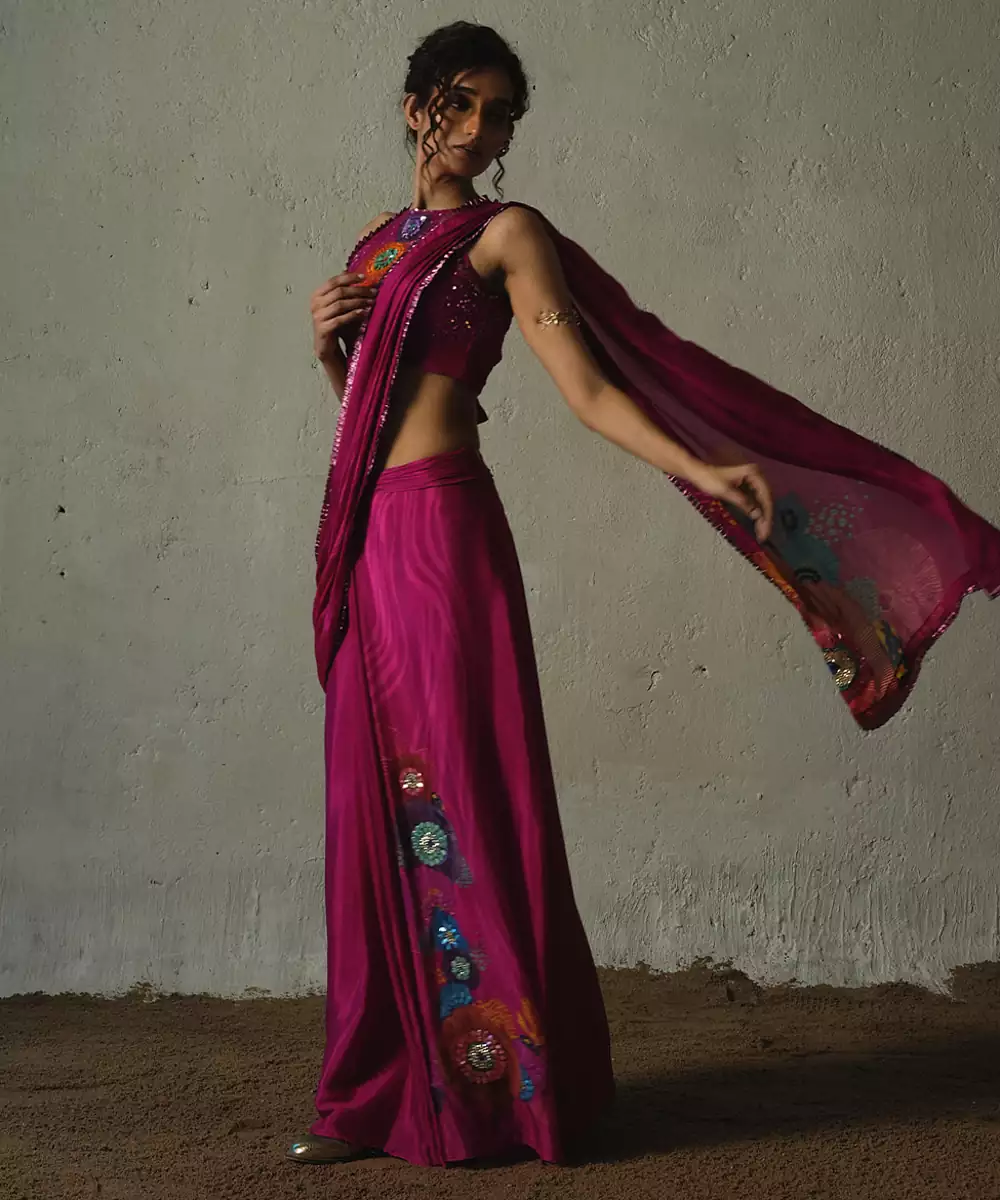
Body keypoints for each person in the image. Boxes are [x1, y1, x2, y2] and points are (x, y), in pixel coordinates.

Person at [291, 20, 1000, 1169]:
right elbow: (366, 416)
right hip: (368, 534)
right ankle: (372, 1096)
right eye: (463, 103)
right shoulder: (379, 246)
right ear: (418, 106)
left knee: (459, 793)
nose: (482, 128)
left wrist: (701, 465)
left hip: (440, 535)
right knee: (372, 807)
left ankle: (501, 1093)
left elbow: (582, 388)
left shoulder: (507, 235)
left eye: (502, 112)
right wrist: (331, 352)